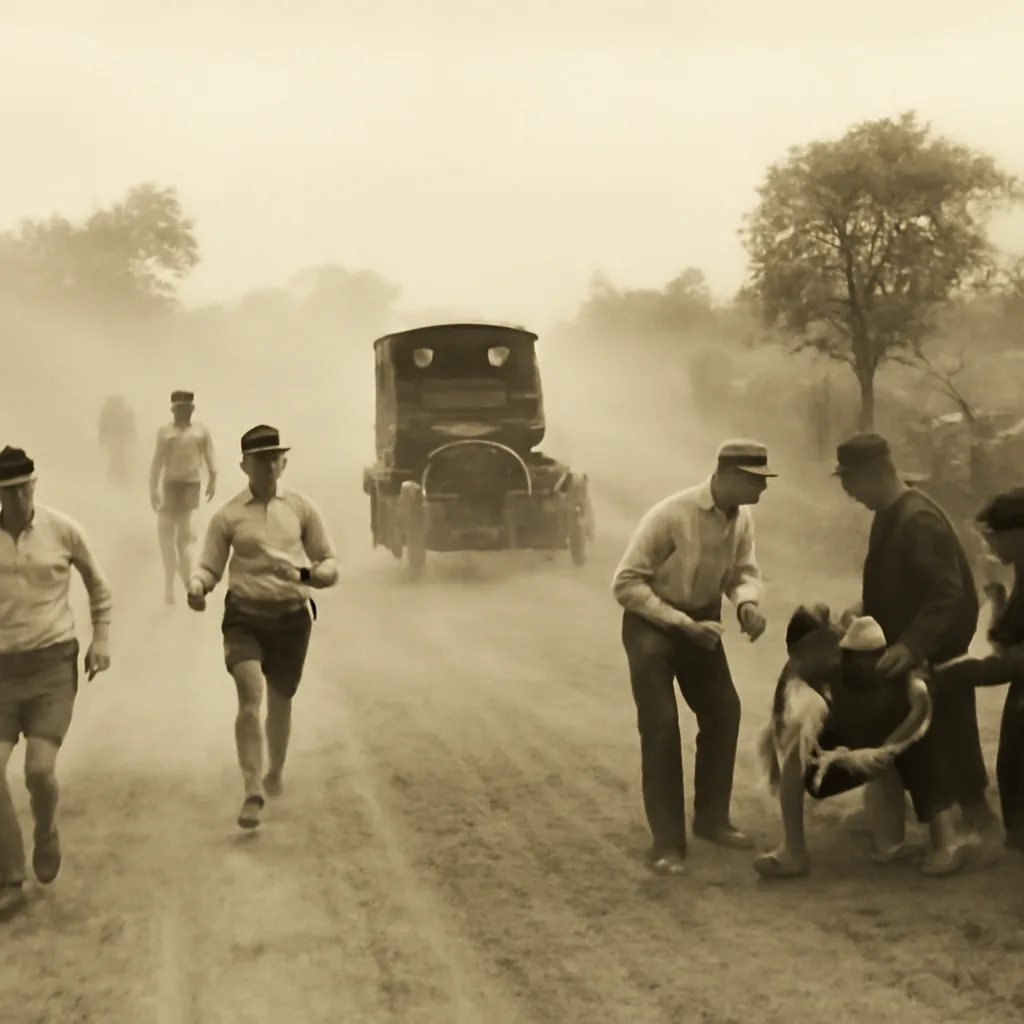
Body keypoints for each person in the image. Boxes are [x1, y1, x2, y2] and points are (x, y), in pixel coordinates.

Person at [612, 439, 773, 876]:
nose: (761, 490)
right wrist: (680, 624)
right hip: (652, 625)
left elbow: (743, 572)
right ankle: (667, 844)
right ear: (727, 476)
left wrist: (746, 604)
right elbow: (625, 583)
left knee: (724, 711)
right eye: (756, 481)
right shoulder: (671, 515)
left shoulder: (742, 519)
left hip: (702, 623)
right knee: (661, 725)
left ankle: (712, 819)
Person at [830, 433, 998, 836]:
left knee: (948, 730)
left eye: (851, 483)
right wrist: (864, 614)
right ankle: (930, 814)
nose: (851, 494)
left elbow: (947, 593)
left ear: (874, 474)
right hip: (913, 644)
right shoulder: (889, 515)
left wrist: (913, 644)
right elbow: (900, 584)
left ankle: (974, 817)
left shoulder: (916, 519)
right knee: (920, 731)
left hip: (936, 650)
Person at [186, 425, 338, 830]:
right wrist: (198, 586)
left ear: (284, 462)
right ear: (244, 465)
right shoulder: (229, 515)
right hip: (245, 617)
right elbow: (209, 565)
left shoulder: (302, 509)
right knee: (250, 693)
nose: (269, 466)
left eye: (275, 458)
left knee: (281, 699)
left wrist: (304, 572)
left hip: (292, 617)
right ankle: (252, 788)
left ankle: (275, 770)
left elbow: (329, 566)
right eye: (260, 460)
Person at [753, 607, 966, 878]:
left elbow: (921, 707)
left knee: (916, 738)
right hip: (831, 763)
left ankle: (934, 838)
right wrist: (866, 755)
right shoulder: (804, 684)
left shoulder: (896, 664)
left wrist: (887, 748)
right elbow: (791, 760)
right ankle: (793, 851)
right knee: (800, 754)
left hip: (880, 738)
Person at [0, 447, 112, 921]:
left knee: (39, 772)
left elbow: (98, 585)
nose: (17, 498)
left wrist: (100, 639)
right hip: (2, 669)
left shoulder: (62, 530)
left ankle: (46, 828)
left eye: (24, 488)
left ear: (34, 486)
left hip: (51, 665)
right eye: (7, 492)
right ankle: (10, 876)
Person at [932, 487, 1024, 854]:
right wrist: (996, 592)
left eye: (993, 536)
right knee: (1013, 766)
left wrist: (957, 675)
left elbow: (1014, 658)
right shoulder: (1020, 569)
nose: (990, 546)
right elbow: (1003, 640)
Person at [149, 390, 217, 605]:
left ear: (192, 409)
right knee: (167, 537)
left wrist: (213, 478)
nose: (183, 413)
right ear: (173, 410)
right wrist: (152, 488)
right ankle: (170, 585)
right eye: (179, 409)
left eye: (186, 409)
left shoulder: (200, 431)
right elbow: (157, 462)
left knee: (186, 537)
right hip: (170, 486)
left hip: (190, 485)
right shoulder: (166, 432)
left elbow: (209, 456)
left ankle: (189, 583)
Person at [98, 395, 137, 487]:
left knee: (117, 460)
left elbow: (102, 426)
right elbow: (102, 426)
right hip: (116, 440)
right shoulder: (108, 413)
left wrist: (102, 438)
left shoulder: (111, 412)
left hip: (118, 439)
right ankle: (116, 484)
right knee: (116, 460)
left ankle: (117, 484)